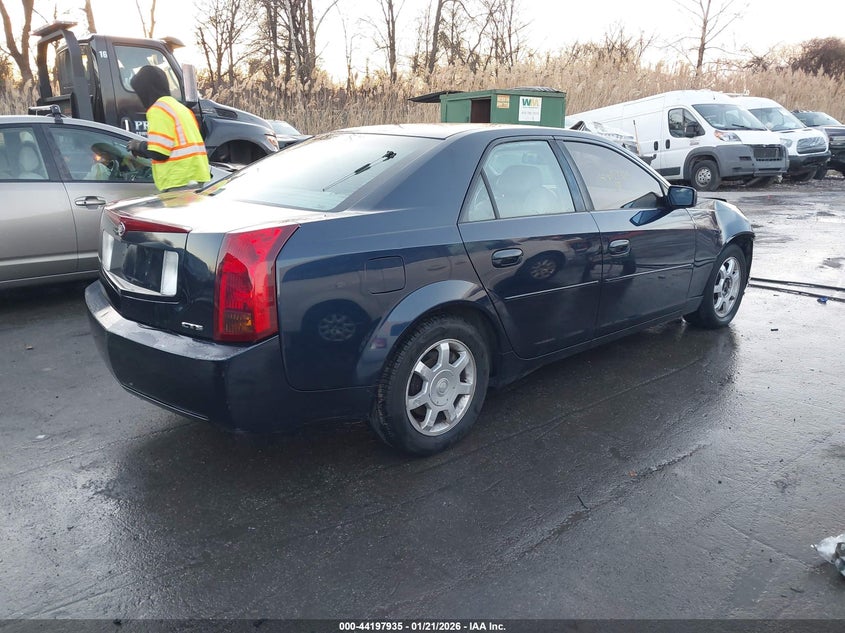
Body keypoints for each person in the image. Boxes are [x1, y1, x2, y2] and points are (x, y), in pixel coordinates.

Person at [127, 65, 210, 192]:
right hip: (195, 175)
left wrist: (138, 146)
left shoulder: (158, 110)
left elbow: (160, 153)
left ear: (145, 91)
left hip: (178, 179)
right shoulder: (180, 108)